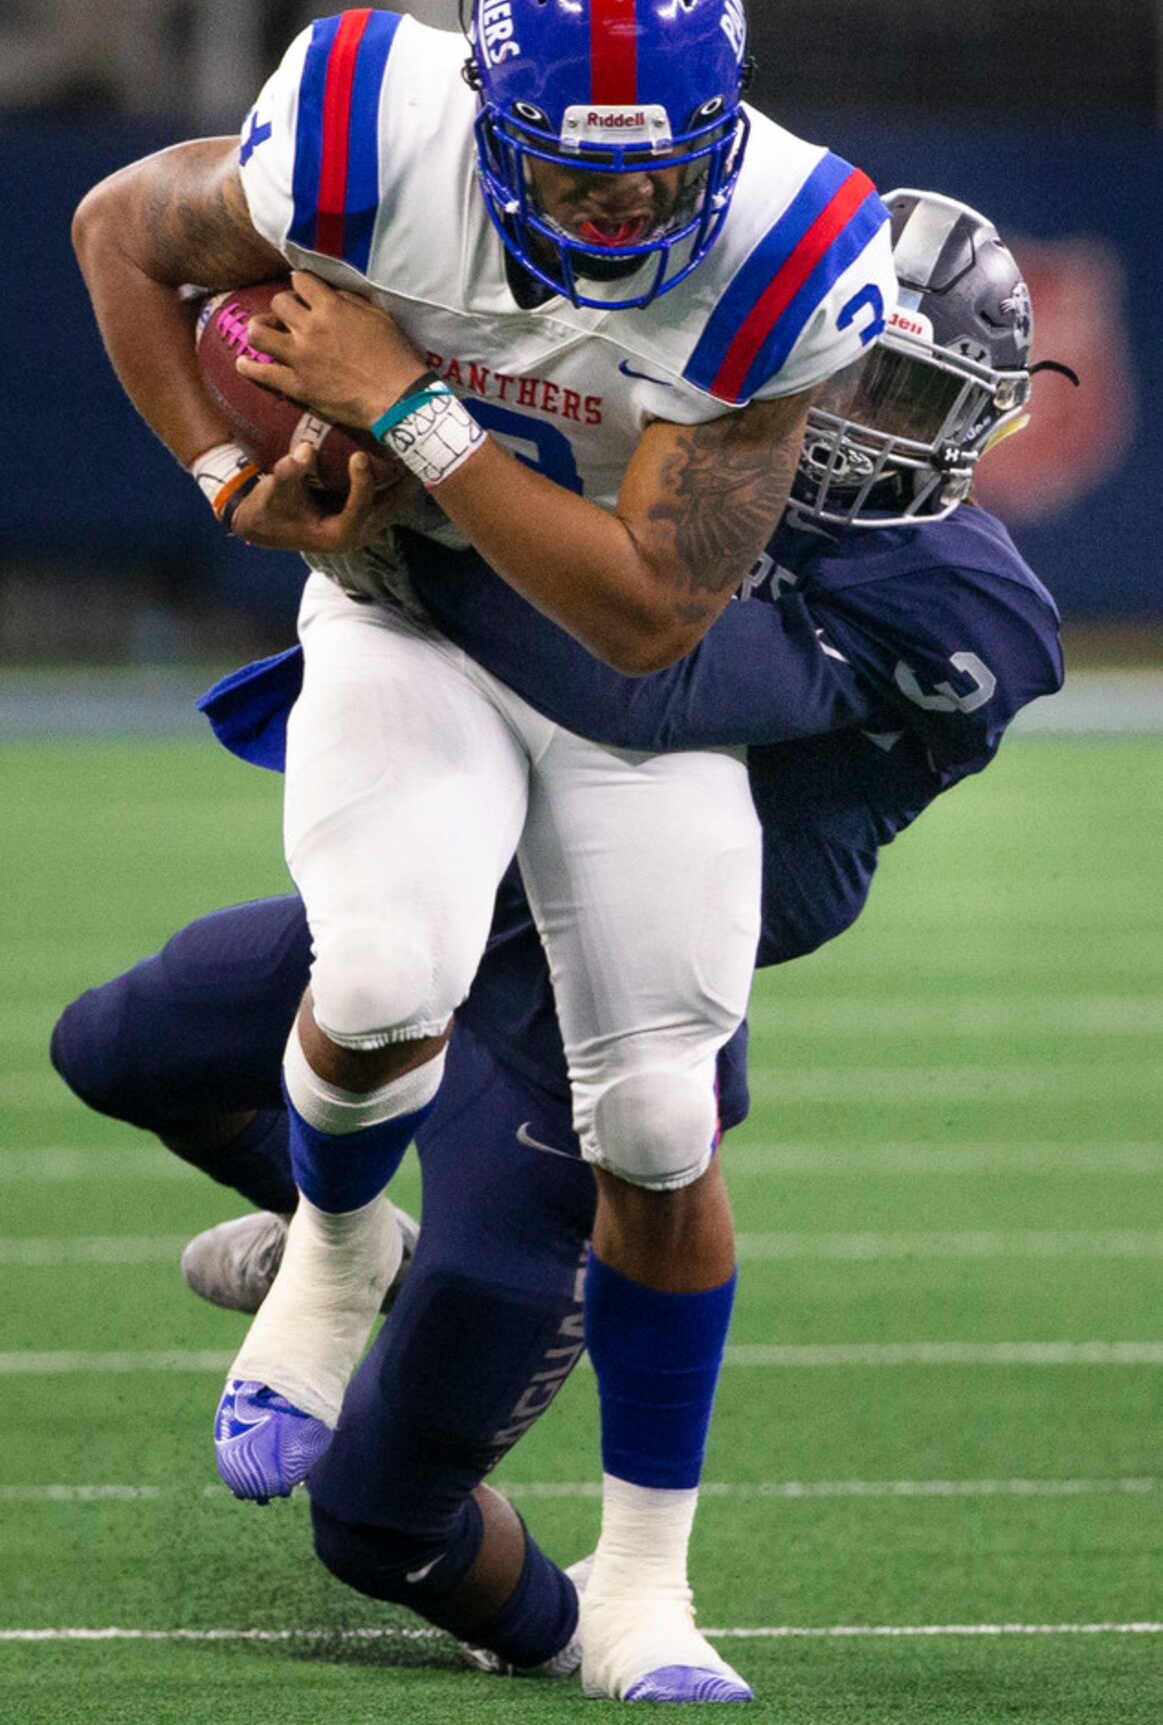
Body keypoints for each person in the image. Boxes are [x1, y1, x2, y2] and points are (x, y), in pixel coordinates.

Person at [54, 187, 1064, 1687]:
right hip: (488, 866)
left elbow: (637, 680)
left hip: (602, 971)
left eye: (901, 394)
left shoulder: (968, 607)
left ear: (970, 424)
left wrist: (405, 492)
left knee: (378, 1518)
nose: (848, 419)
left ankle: (584, 1618)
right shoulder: (689, 392)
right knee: (117, 1046)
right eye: (848, 364)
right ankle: (354, 1241)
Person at [72, 0, 897, 1704]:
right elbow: (119, 229)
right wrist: (232, 470)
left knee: (665, 1125)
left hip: (625, 689)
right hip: (406, 620)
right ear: (488, 117)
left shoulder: (790, 241)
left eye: (654, 175)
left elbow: (647, 603)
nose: (618, 215)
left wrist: (411, 409)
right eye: (575, 175)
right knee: (374, 979)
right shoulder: (365, 129)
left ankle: (645, 1586)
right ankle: (338, 1256)